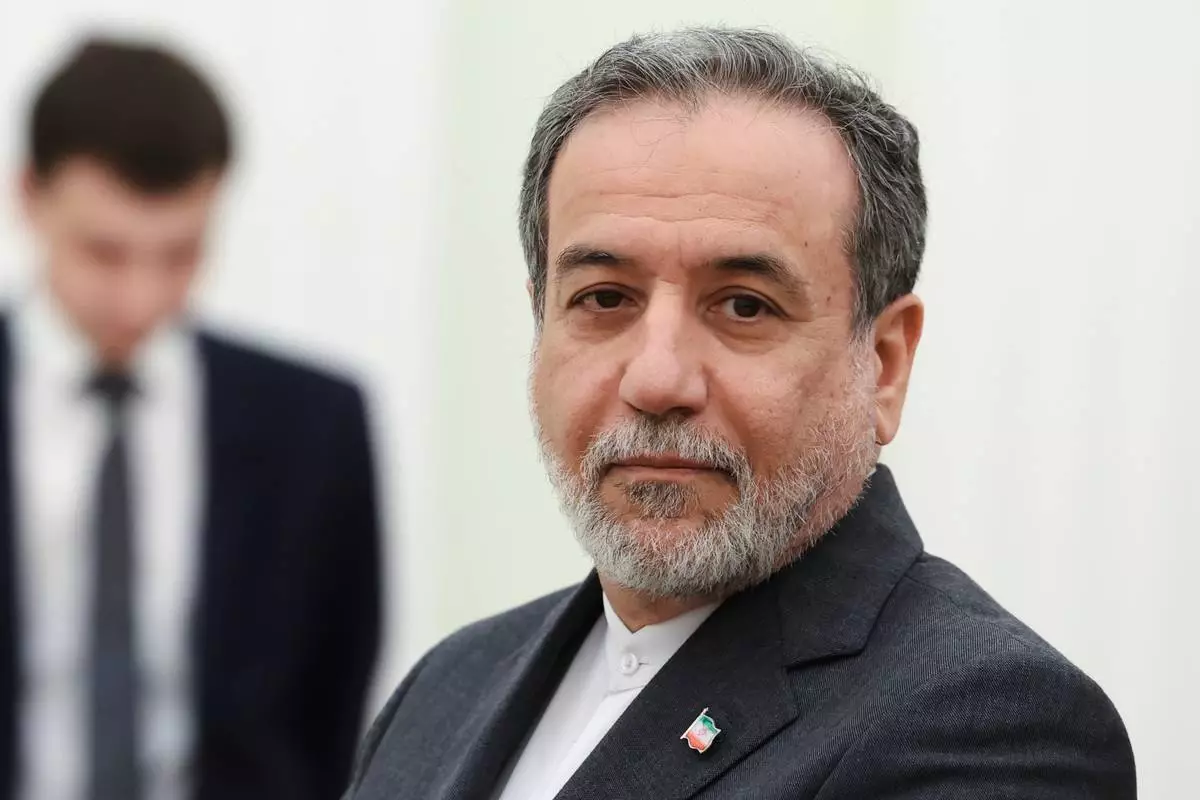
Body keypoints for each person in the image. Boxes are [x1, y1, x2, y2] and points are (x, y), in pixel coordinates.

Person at [344, 26, 1137, 800]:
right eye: (604, 298)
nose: (657, 380)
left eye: (745, 306)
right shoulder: (448, 687)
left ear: (885, 364)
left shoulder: (990, 726)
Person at [0, 38, 382, 800]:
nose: (140, 300)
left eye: (179, 254)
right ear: (29, 195)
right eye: (105, 253)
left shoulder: (314, 428)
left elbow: (333, 709)